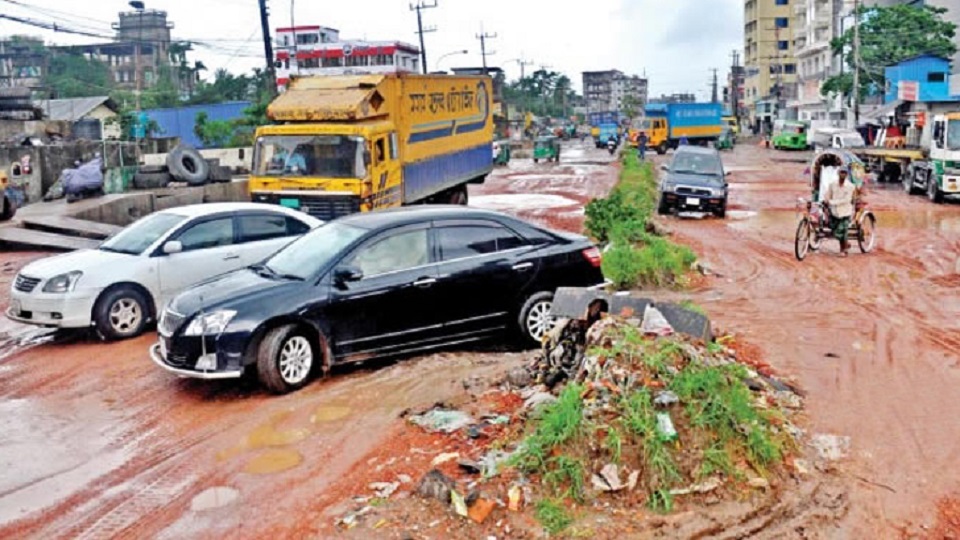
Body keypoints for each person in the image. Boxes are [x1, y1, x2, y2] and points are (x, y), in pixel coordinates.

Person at [824, 167, 856, 256]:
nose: (843, 174)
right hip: (834, 212)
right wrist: (826, 200)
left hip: (845, 211)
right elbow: (828, 194)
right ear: (838, 173)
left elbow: (846, 200)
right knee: (834, 231)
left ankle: (843, 250)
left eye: (845, 173)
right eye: (841, 172)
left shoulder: (850, 186)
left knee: (842, 230)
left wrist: (831, 202)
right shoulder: (832, 184)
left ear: (847, 174)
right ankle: (846, 244)